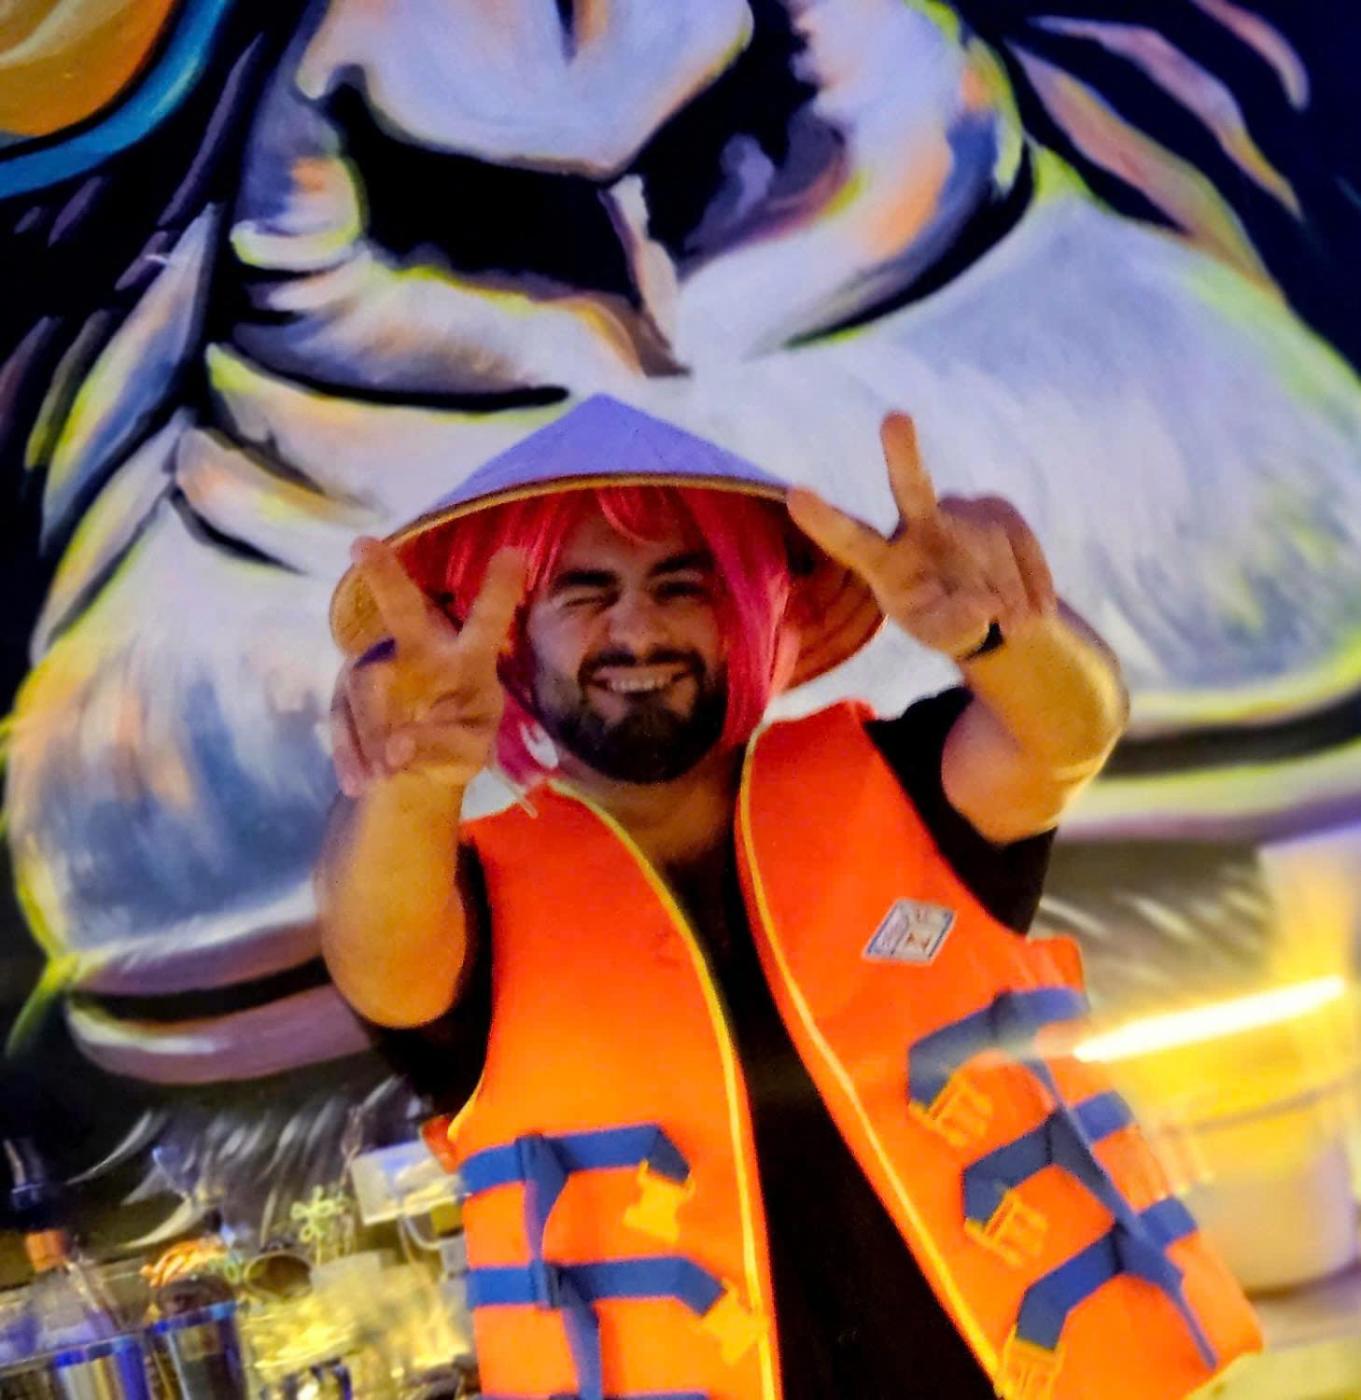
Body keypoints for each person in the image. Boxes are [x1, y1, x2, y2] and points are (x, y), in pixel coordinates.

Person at [317, 396, 1259, 1400]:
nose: (638, 628)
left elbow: (1066, 734)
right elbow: (378, 956)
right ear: (509, 640)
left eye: (680, 585)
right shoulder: (459, 910)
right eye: (582, 594)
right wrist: (410, 782)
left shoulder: (903, 781)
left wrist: (1003, 632)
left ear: (740, 611)